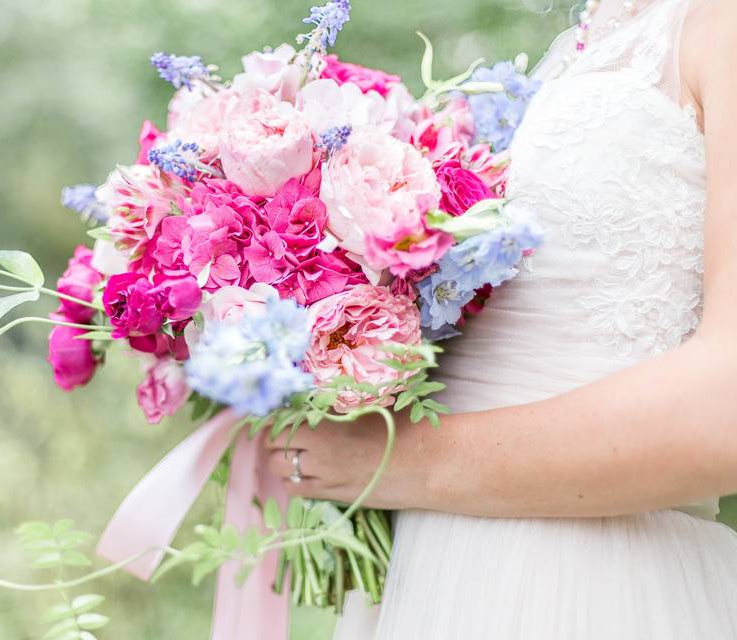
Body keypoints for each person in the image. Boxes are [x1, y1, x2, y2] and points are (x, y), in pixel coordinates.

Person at [268, 1, 737, 637]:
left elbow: (725, 409)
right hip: (438, 574)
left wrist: (388, 463)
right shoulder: (586, 41)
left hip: (590, 583)